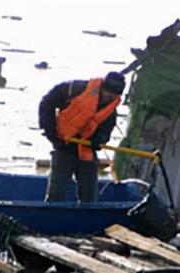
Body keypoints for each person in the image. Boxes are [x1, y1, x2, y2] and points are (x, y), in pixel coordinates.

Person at [38, 72, 126, 202]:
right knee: (56, 192)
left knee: (89, 195)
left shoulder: (111, 112)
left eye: (115, 94)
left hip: (86, 150)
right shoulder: (74, 89)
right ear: (102, 86)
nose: (110, 96)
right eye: (108, 91)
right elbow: (47, 102)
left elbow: (105, 133)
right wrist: (49, 129)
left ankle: (87, 216)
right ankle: (52, 214)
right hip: (64, 144)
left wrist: (99, 139)